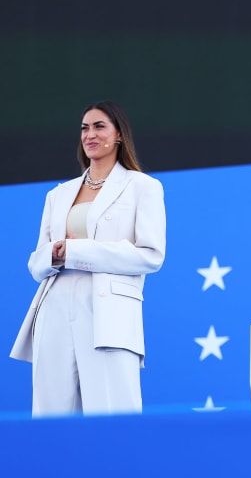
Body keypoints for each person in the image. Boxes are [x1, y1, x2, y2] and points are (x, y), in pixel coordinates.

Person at [10, 101, 166, 417]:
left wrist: (76, 251)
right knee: (50, 416)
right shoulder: (58, 194)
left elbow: (151, 255)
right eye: (84, 128)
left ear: (119, 135)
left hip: (108, 313)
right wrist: (54, 255)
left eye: (99, 126)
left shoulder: (142, 187)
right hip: (54, 307)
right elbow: (35, 264)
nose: (89, 134)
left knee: (112, 414)